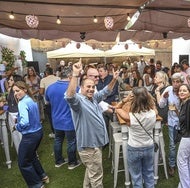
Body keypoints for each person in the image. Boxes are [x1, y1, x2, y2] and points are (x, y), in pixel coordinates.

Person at [65, 59, 119, 187]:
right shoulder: (78, 101)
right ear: (82, 87)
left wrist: (114, 79)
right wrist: (75, 75)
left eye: (93, 87)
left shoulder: (93, 97)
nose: (91, 89)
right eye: (88, 87)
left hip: (95, 144)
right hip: (89, 147)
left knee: (91, 171)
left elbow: (106, 91)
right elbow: (70, 96)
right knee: (97, 178)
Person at [115, 87, 157, 188]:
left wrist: (125, 99)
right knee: (149, 174)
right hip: (149, 146)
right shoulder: (153, 113)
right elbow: (153, 106)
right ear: (147, 98)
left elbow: (117, 108)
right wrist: (148, 96)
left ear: (134, 100)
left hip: (134, 148)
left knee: (136, 177)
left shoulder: (130, 117)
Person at [13, 81, 49, 188]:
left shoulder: (22, 102)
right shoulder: (31, 99)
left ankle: (36, 184)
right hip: (38, 132)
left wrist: (16, 126)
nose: (15, 93)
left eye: (17, 90)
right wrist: (18, 118)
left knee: (23, 162)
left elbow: (25, 123)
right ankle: (43, 176)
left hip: (30, 136)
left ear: (24, 89)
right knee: (32, 156)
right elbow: (31, 115)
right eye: (14, 91)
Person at [45, 67, 80, 170]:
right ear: (70, 76)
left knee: (58, 140)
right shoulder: (74, 88)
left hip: (56, 119)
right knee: (71, 141)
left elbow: (47, 102)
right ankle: (72, 162)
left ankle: (58, 161)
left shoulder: (50, 87)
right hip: (69, 120)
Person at [158, 73, 184, 176]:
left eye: (178, 82)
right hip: (172, 121)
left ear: (181, 82)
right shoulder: (168, 89)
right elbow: (161, 105)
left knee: (183, 145)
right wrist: (164, 98)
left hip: (184, 123)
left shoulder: (185, 90)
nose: (175, 84)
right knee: (172, 145)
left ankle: (182, 163)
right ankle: (172, 165)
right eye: (174, 81)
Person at [39, 67, 59, 138]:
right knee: (59, 115)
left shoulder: (43, 80)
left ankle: (54, 132)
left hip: (48, 101)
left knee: (51, 117)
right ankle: (61, 131)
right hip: (59, 101)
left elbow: (41, 92)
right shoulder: (58, 78)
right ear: (53, 72)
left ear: (46, 73)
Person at [6, 74, 23, 154]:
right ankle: (20, 153)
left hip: (17, 114)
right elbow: (10, 102)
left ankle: (29, 154)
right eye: (9, 79)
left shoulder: (19, 91)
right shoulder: (9, 90)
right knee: (14, 134)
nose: (9, 81)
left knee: (22, 135)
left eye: (11, 80)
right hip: (10, 114)